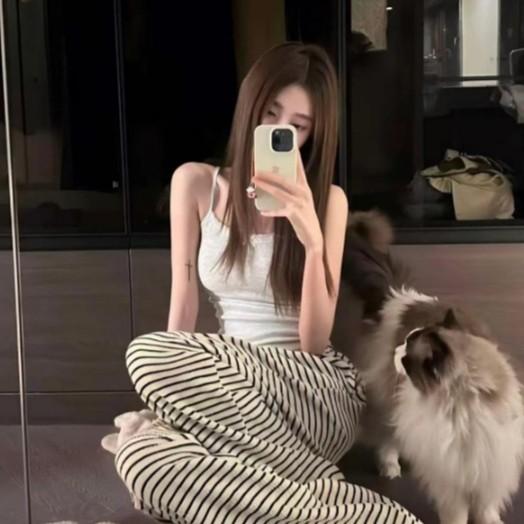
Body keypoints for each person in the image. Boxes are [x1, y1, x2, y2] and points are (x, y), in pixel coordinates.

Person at [112, 42, 421, 523]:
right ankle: (320, 499)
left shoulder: (329, 202)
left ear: (313, 135)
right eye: (271, 114)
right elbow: (183, 306)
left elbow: (313, 342)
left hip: (312, 390)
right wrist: (172, 397)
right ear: (249, 105)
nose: (281, 132)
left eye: (298, 126)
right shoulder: (194, 182)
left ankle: (238, 483)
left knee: (144, 358)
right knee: (141, 453)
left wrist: (311, 237)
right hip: (232, 386)